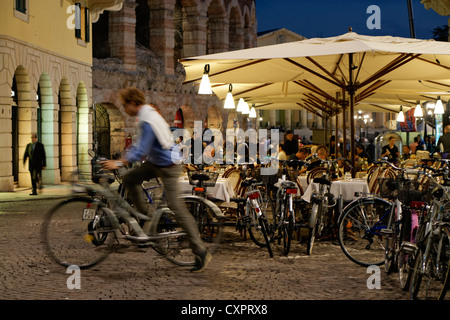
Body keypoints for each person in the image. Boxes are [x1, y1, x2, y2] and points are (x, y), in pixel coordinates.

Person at [101, 87, 211, 272]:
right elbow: (139, 145)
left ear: (133, 103)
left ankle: (200, 251)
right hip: (156, 163)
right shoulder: (147, 114)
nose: (123, 108)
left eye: (124, 104)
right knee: (129, 179)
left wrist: (119, 163)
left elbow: (141, 149)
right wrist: (124, 159)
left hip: (169, 166)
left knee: (176, 207)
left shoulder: (147, 119)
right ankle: (147, 217)